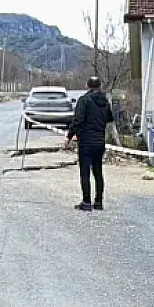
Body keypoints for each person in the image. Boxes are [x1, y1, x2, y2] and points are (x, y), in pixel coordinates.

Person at [67, 76, 113, 211]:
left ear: (87, 86)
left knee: (85, 172)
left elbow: (78, 120)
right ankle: (98, 202)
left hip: (86, 141)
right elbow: (110, 118)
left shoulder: (84, 100)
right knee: (98, 172)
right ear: (100, 86)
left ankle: (86, 202)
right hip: (100, 140)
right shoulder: (105, 101)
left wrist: (69, 136)